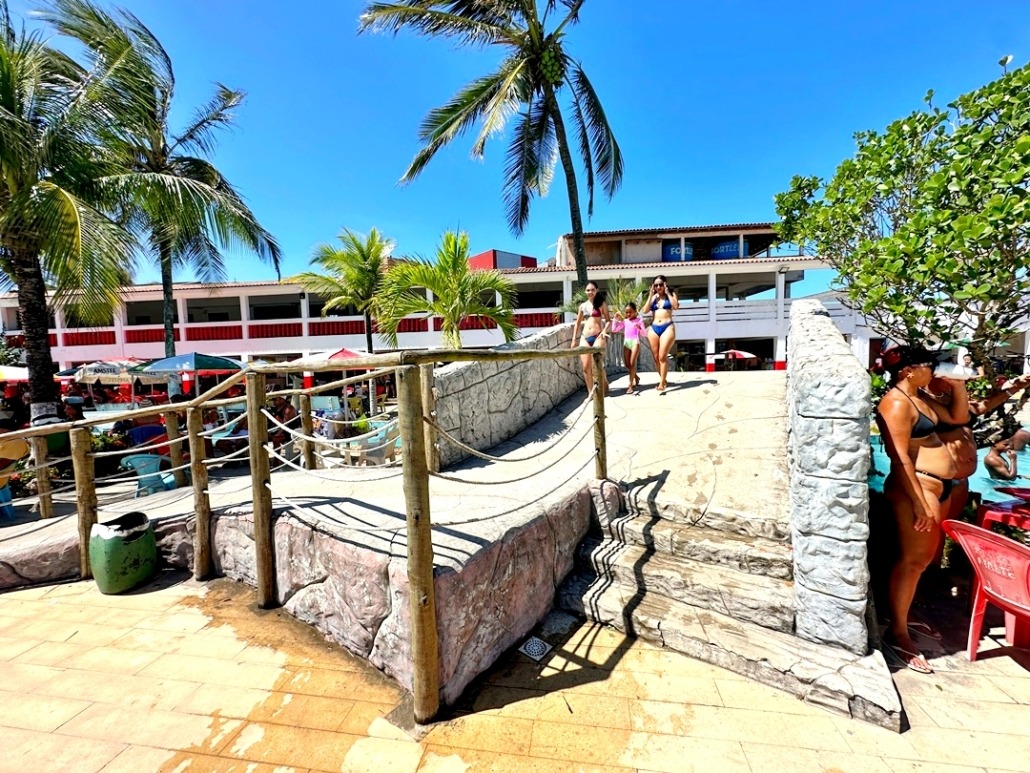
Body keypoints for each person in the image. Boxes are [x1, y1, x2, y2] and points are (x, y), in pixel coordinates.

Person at [875, 345, 966, 675]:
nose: (933, 369)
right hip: (918, 488)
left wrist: (958, 386)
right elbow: (899, 457)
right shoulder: (897, 403)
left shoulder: (921, 398)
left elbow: (958, 417)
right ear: (908, 370)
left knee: (922, 560)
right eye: (928, 364)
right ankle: (897, 633)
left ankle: (902, 614)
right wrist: (918, 501)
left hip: (938, 487)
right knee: (914, 560)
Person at [570, 281, 611, 395]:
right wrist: (574, 339)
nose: (590, 292)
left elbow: (608, 320)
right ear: (585, 291)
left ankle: (604, 382)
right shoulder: (582, 306)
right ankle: (590, 393)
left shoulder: (602, 304)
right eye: (588, 290)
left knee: (597, 365)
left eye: (593, 290)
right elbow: (577, 323)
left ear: (597, 290)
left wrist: (604, 331)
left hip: (598, 336)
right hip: (585, 337)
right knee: (586, 367)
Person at [645, 275, 678, 393]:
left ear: (665, 284)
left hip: (667, 326)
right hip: (654, 328)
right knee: (655, 357)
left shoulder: (671, 294)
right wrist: (650, 295)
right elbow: (645, 310)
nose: (658, 287)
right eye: (656, 285)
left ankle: (662, 383)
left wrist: (668, 293)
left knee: (662, 356)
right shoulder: (653, 298)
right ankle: (663, 379)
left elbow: (675, 306)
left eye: (660, 284)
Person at [611, 302, 647, 394]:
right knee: (627, 365)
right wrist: (615, 319)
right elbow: (614, 330)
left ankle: (630, 385)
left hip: (635, 342)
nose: (628, 314)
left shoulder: (639, 321)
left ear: (635, 311)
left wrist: (639, 328)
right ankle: (636, 377)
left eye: (630, 312)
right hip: (626, 343)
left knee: (632, 363)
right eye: (626, 312)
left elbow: (644, 334)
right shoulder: (625, 321)